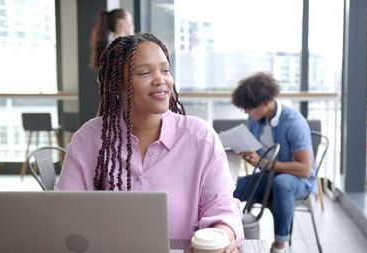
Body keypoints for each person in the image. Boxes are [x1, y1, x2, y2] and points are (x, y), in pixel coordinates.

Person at [56, 33, 244, 252]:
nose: (160, 79)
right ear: (118, 85)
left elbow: (222, 207)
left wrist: (223, 234)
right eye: (145, 72)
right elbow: (66, 214)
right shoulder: (88, 139)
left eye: (165, 70)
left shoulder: (201, 138)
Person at [231, 72, 316, 253]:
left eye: (249, 107)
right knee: (230, 187)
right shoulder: (254, 120)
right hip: (268, 175)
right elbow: (257, 155)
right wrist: (245, 153)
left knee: (282, 183)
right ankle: (225, 235)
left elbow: (305, 169)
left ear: (265, 101)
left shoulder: (294, 123)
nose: (246, 111)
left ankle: (280, 245)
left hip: (298, 181)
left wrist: (265, 164)